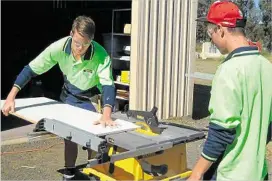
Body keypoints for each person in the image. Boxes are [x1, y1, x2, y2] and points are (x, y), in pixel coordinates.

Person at [1, 15, 117, 180]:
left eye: (85, 44)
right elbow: (31, 69)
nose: (80, 48)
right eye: (77, 43)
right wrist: (11, 96)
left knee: (95, 136)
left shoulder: (101, 54)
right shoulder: (59, 47)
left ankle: (95, 171)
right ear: (71, 33)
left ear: (91, 41)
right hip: (70, 94)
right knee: (69, 135)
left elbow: (108, 85)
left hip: (92, 96)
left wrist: (106, 115)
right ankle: (69, 171)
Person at [188, 1, 272, 181]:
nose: (211, 37)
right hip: (258, 173)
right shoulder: (266, 67)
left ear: (221, 29)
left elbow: (222, 131)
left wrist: (197, 172)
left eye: (210, 31)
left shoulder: (229, 70)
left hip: (230, 174)